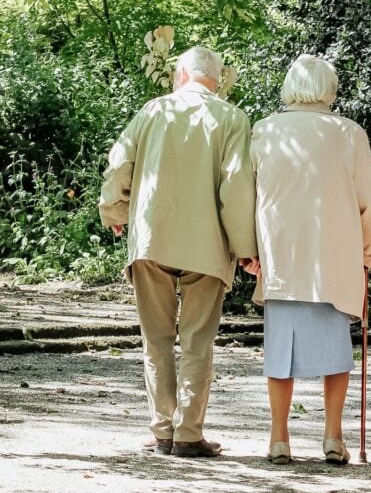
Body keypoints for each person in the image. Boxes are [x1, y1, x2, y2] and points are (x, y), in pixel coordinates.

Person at [98, 46, 259, 458]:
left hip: (152, 239)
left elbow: (119, 165)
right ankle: (188, 433)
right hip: (207, 245)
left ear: (181, 74)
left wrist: (114, 210)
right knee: (197, 341)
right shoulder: (232, 118)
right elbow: (237, 187)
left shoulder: (152, 111)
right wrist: (245, 248)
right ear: (217, 79)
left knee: (156, 339)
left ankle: (162, 430)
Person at [245, 54, 371, 465]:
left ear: (290, 86)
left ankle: (278, 438)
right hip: (334, 259)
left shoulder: (265, 131)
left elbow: (246, 197)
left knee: (279, 353)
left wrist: (248, 251)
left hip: (282, 257)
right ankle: (332, 436)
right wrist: (370, 251)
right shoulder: (348, 134)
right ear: (330, 88)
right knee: (336, 352)